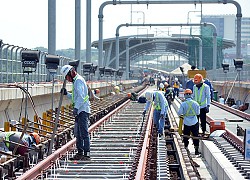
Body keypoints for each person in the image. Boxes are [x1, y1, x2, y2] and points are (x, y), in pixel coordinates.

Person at [60, 65, 91, 160]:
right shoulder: (76, 81)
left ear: (71, 73)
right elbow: (76, 97)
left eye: (67, 77)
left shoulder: (78, 81)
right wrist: (67, 94)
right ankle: (80, 152)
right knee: (78, 133)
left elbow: (81, 98)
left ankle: (86, 154)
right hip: (79, 110)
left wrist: (76, 108)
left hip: (82, 110)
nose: (67, 79)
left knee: (83, 133)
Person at [177, 89, 200, 155]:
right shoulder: (196, 104)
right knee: (196, 136)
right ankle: (196, 150)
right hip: (194, 122)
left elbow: (179, 113)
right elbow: (198, 113)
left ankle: (186, 147)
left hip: (186, 122)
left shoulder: (183, 104)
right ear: (191, 95)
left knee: (186, 135)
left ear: (185, 95)